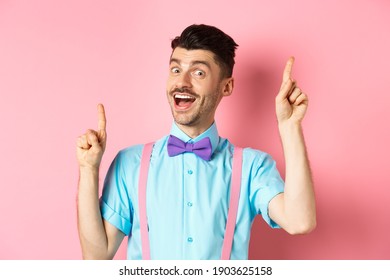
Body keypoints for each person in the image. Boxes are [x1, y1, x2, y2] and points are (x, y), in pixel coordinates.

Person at [76, 24, 316, 260]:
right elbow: (96, 256)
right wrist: (88, 170)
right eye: (176, 70)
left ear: (227, 86)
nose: (182, 82)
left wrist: (290, 127)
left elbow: (299, 221)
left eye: (198, 72)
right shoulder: (130, 163)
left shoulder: (252, 167)